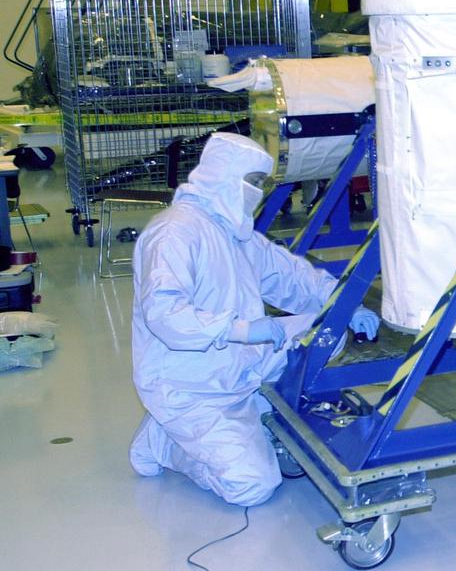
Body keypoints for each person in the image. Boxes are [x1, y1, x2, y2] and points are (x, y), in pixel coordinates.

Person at [128, 133, 378, 506]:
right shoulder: (173, 233)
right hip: (188, 382)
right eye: (254, 182)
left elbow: (293, 278)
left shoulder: (235, 232)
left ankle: (256, 411)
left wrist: (345, 305)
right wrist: (240, 329)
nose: (257, 192)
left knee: (329, 332)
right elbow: (164, 315)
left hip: (239, 362)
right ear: (224, 176)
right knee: (252, 486)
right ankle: (163, 442)